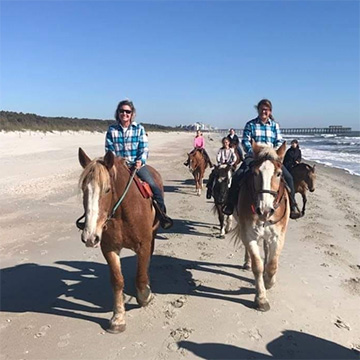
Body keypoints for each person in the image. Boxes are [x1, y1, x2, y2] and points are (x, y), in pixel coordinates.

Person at [223, 99, 301, 220]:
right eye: (261, 109)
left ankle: (293, 204)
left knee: (289, 177)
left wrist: (274, 153)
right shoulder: (251, 124)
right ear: (258, 110)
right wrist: (254, 152)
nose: (264, 111)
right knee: (239, 174)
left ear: (270, 111)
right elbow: (245, 141)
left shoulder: (275, 125)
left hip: (271, 157)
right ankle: (230, 203)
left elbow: (279, 141)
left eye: (266, 109)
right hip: (254, 156)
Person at [105, 99, 173, 229]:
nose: (124, 114)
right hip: (117, 167)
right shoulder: (111, 130)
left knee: (153, 185)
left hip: (135, 166)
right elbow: (109, 150)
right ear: (118, 113)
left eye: (127, 111)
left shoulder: (139, 129)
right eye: (122, 111)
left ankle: (162, 215)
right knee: (99, 188)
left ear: (132, 114)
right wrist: (114, 163)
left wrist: (140, 161)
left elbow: (144, 148)